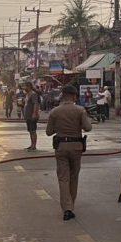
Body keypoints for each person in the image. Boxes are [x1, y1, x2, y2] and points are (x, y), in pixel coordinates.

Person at [45, 84, 92, 221]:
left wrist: (59, 128)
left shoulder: (55, 112)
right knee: (74, 176)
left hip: (61, 148)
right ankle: (71, 204)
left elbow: (49, 132)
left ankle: (67, 208)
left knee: (63, 178)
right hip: (76, 147)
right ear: (74, 96)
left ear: (63, 95)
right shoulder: (80, 110)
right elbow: (88, 128)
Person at [22, 83, 41, 151]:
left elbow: (35, 104)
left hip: (32, 115)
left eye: (25, 86)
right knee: (30, 130)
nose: (24, 88)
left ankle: (34, 145)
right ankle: (31, 144)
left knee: (33, 130)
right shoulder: (27, 94)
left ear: (29, 86)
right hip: (28, 116)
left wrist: (34, 113)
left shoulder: (33, 94)